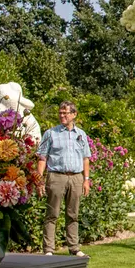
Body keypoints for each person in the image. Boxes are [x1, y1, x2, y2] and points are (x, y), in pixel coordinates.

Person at [35, 102, 91, 257]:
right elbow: (42, 158)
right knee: (52, 214)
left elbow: (86, 158)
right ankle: (49, 249)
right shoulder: (51, 134)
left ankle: (74, 247)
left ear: (74, 114)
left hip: (76, 177)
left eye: (65, 113)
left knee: (73, 214)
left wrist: (86, 180)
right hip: (56, 177)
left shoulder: (81, 135)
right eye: (60, 113)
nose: (62, 115)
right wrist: (39, 180)